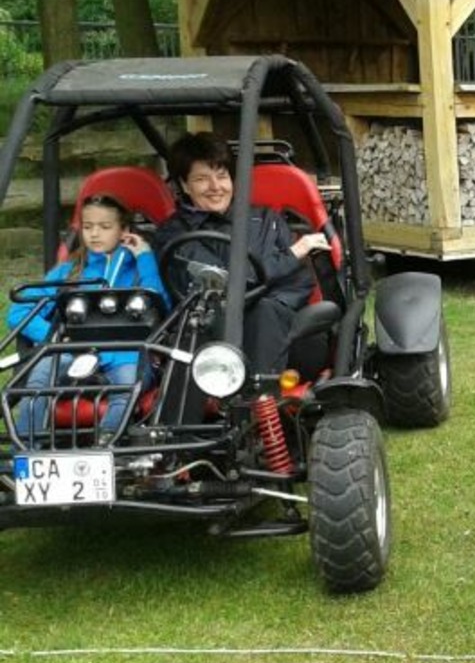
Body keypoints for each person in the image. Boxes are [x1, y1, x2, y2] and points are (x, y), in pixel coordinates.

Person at [154, 132, 331, 373]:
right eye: (202, 179)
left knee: (266, 311)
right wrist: (289, 257)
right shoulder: (173, 234)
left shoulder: (267, 219)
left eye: (222, 176)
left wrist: (260, 295)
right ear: (185, 185)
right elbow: (225, 281)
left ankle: (256, 403)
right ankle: (252, 403)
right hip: (210, 338)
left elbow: (300, 281)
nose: (216, 187)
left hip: (283, 336)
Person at [7, 194, 169, 439]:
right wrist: (54, 339)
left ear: (124, 229)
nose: (94, 234)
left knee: (128, 384)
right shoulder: (70, 271)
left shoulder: (140, 269)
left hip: (126, 353)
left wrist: (144, 256)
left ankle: (105, 448)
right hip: (74, 351)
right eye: (87, 226)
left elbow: (161, 306)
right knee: (40, 374)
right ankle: (28, 453)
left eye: (105, 227)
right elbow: (19, 312)